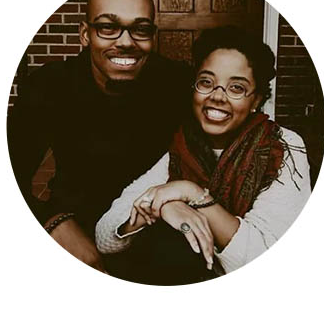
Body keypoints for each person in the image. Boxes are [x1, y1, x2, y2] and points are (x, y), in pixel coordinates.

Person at [96, 25, 312, 285]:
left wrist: (192, 194)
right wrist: (165, 206)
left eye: (236, 88)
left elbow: (265, 258)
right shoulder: (184, 144)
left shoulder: (282, 147)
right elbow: (105, 236)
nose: (217, 97)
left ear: (256, 100)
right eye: (206, 82)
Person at [7, 0, 191, 272]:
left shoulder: (175, 83)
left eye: (141, 29)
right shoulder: (50, 86)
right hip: (75, 222)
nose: (126, 42)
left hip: (151, 222)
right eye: (108, 27)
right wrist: (52, 221)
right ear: (85, 34)